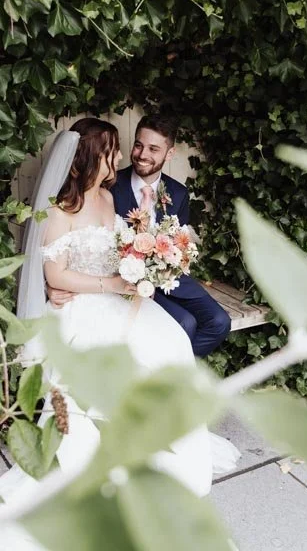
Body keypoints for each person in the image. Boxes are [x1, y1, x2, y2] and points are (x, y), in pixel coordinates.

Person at [0, 119, 239, 547]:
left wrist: (132, 274)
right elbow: (55, 272)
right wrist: (94, 285)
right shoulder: (60, 208)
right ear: (90, 158)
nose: (119, 157)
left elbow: (114, 255)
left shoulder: (110, 199)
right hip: (82, 306)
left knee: (172, 342)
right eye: (111, 150)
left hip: (119, 294)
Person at [47, 115, 231, 358]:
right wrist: (52, 285)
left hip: (162, 278)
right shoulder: (111, 186)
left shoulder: (177, 192)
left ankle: (176, 371)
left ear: (169, 153)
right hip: (120, 286)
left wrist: (170, 262)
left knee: (219, 321)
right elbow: (63, 253)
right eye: (138, 145)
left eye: (153, 148)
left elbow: (179, 242)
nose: (141, 154)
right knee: (184, 324)